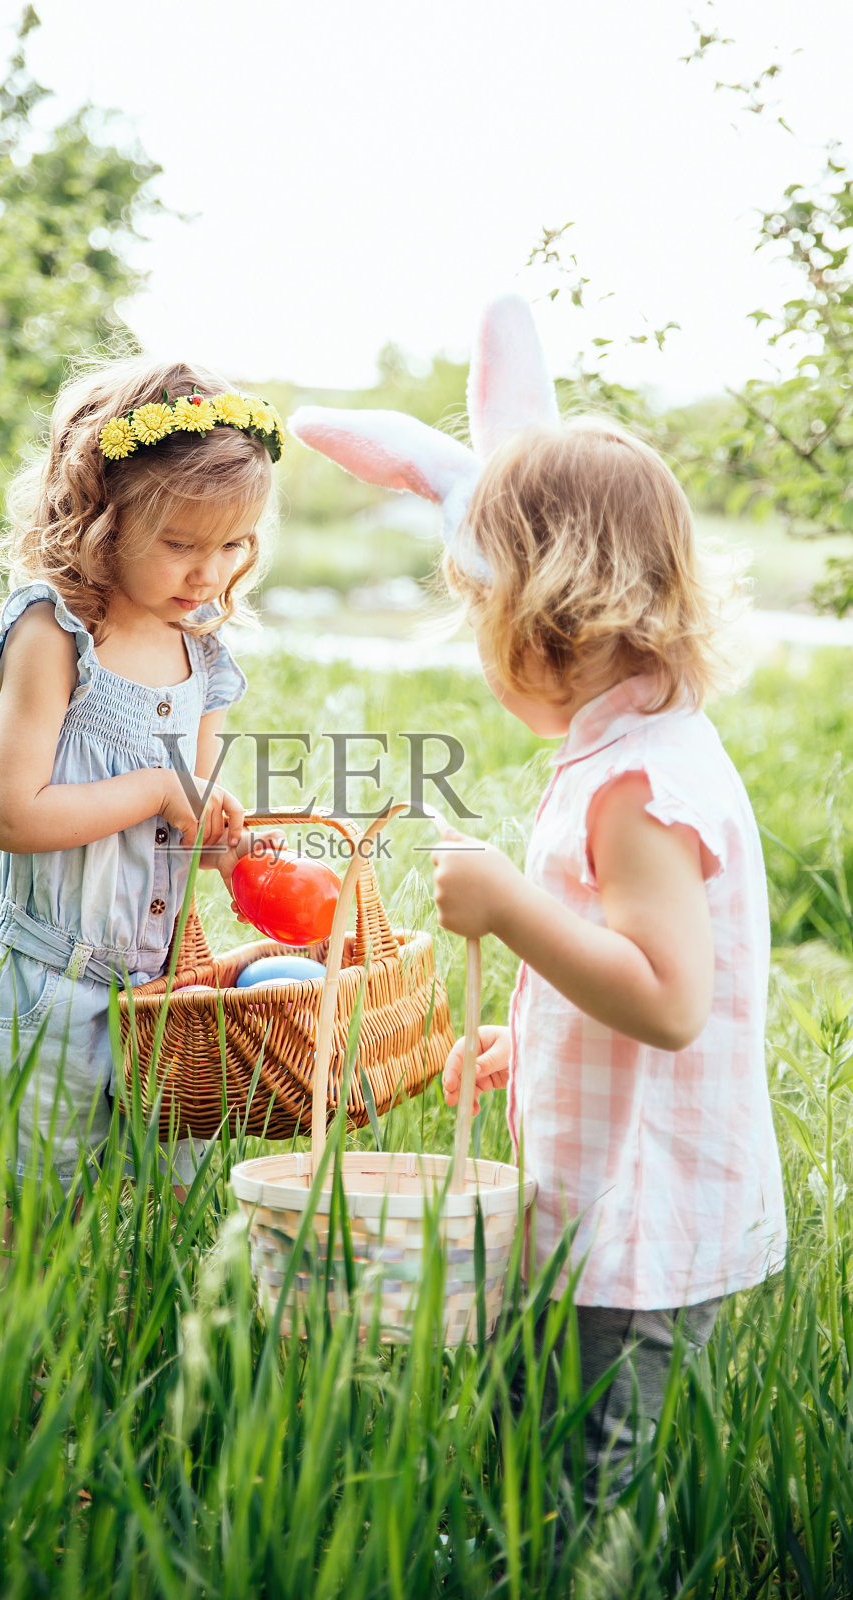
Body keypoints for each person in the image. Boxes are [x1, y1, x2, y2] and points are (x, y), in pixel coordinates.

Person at [433, 419, 788, 1510]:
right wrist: (528, 1032)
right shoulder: (636, 749)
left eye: (480, 613)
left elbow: (671, 1001)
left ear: (543, 611)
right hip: (598, 1207)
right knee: (525, 1453)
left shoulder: (636, 784)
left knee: (578, 1495)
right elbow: (623, 965)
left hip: (635, 1221)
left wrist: (506, 906)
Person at [0, 356, 285, 1287]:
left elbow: (187, 819)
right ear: (101, 515)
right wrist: (155, 791)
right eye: (181, 543)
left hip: (163, 998)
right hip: (52, 986)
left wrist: (221, 836)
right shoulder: (57, 635)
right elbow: (15, 816)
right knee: (31, 1221)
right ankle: (10, 1383)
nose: (208, 573)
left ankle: (133, 1364)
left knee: (165, 1217)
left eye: (233, 547)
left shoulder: (202, 649)